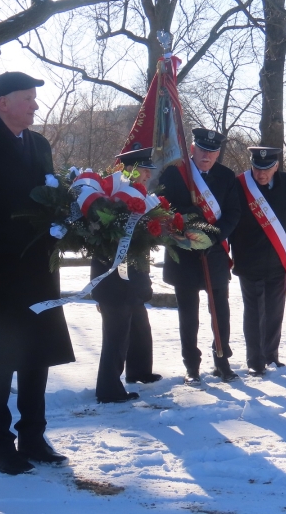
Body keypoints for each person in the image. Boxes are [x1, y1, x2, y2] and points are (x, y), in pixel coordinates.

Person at [0, 71, 75, 476]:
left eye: (34, 98)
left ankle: (33, 438)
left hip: (39, 276)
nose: (35, 105)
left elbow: (51, 202)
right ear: (3, 103)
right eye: (27, 98)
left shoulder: (39, 144)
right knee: (0, 366)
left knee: (38, 360)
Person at [159, 128, 242, 384]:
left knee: (220, 312)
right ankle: (191, 366)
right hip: (184, 252)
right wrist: (187, 221)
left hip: (214, 253)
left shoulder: (226, 177)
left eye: (212, 151)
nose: (207, 156)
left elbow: (233, 213)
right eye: (203, 150)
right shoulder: (175, 174)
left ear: (218, 153)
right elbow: (164, 208)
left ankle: (222, 360)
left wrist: (214, 237)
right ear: (193, 149)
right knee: (188, 314)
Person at [230, 146, 286, 377]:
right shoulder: (240, 185)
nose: (261, 174)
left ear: (276, 166)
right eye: (256, 168)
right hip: (249, 261)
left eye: (266, 169)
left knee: (275, 312)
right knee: (254, 312)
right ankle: (255, 361)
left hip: (279, 261)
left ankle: (271, 356)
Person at [90, 148, 162, 404]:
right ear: (129, 170)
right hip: (114, 282)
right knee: (116, 335)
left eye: (149, 171)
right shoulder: (112, 198)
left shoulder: (140, 197)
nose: (148, 175)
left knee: (139, 326)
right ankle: (108, 389)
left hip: (132, 279)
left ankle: (139, 370)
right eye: (144, 170)